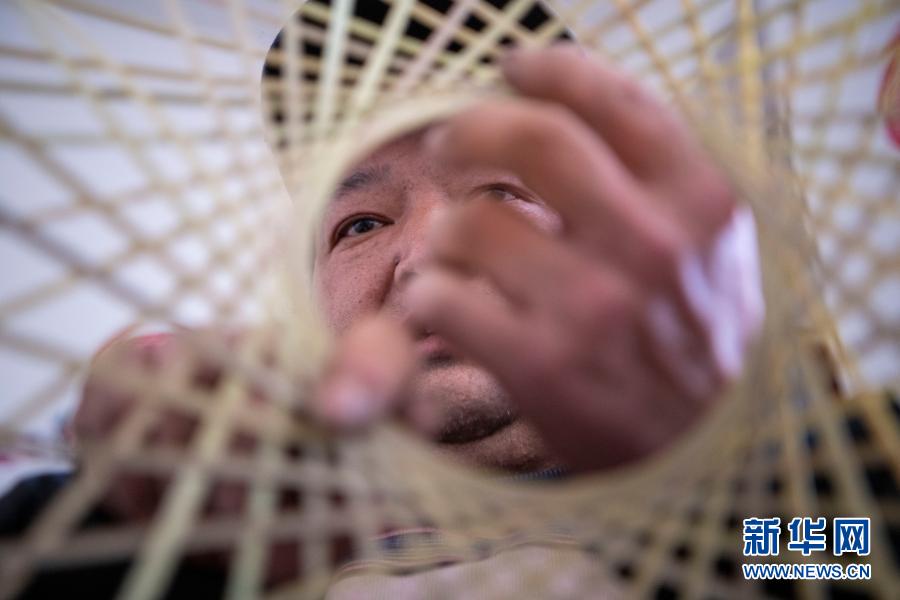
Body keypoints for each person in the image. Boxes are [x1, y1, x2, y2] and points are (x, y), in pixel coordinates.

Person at [0, 34, 763, 600]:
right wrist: (132, 524)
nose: (425, 257)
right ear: (316, 307)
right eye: (361, 224)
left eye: (501, 194)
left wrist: (710, 473)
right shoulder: (227, 540)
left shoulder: (784, 501)